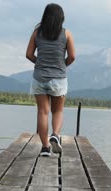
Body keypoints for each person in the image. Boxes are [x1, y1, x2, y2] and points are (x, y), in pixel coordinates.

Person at [26, 3, 76, 157]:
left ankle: (45, 147)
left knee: (42, 112)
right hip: (58, 78)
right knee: (58, 110)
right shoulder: (66, 34)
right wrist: (62, 65)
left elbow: (28, 54)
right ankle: (55, 134)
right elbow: (72, 57)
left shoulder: (37, 33)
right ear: (61, 18)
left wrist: (40, 64)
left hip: (39, 78)